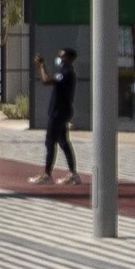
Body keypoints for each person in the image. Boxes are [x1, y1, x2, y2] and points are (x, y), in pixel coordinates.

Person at [32, 48, 80, 185]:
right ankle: (72, 173)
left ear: (70, 58)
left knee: (50, 141)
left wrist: (41, 66)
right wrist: (39, 67)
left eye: (63, 56)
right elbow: (46, 79)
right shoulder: (63, 72)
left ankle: (47, 174)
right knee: (63, 142)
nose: (60, 59)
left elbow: (46, 80)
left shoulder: (66, 73)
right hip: (59, 111)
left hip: (59, 112)